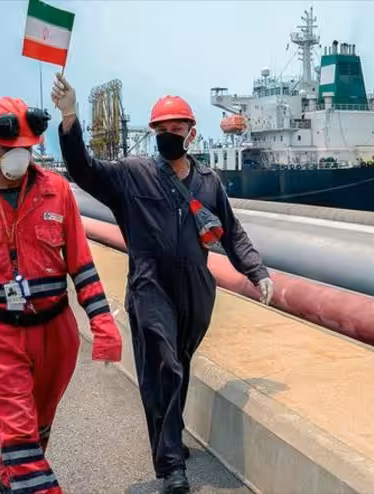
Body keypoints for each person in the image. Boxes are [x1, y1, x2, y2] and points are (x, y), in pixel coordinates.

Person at [53, 74, 274, 493]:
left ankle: (167, 436)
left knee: (179, 364)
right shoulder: (132, 175)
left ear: (191, 133)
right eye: (161, 130)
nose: (168, 136)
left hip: (194, 289)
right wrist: (69, 117)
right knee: (164, 366)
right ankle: (171, 464)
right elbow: (83, 169)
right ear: (152, 134)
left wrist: (256, 270)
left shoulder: (209, 181)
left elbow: (231, 230)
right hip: (150, 283)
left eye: (176, 130)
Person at [0, 96, 122, 494]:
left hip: (56, 333)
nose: (20, 156)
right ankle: (30, 477)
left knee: (38, 423)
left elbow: (82, 264)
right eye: (10, 148)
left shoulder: (57, 192)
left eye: (26, 148)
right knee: (19, 431)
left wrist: (102, 323)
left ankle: (10, 473)